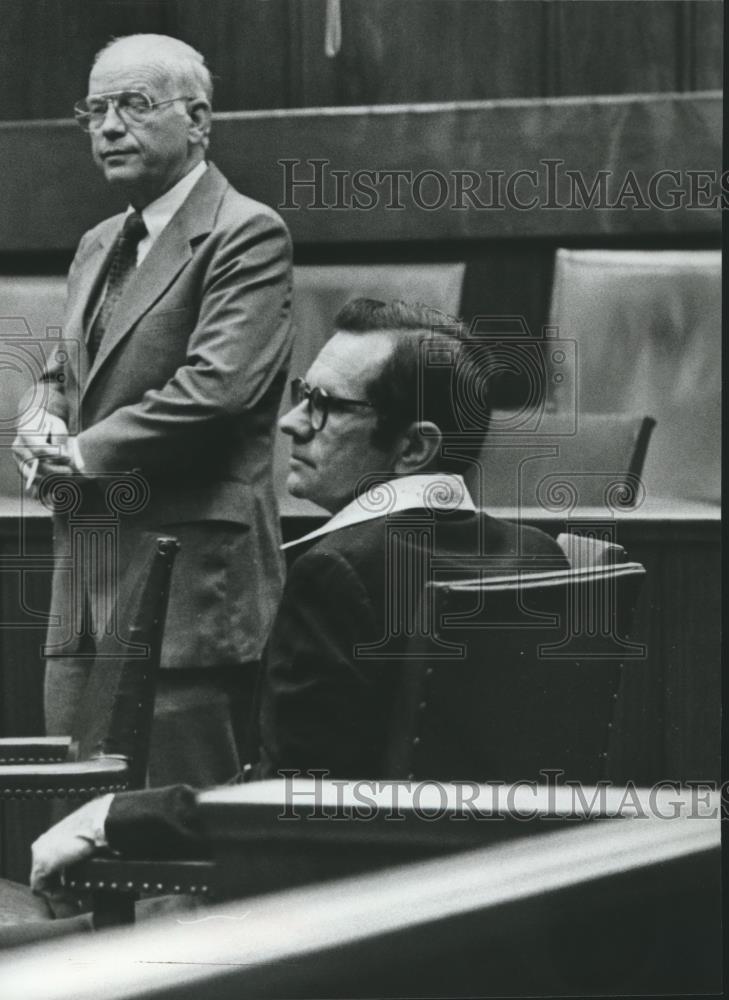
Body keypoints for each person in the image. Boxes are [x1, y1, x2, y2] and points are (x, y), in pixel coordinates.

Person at [24, 298, 569, 897]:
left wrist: (112, 819)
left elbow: (290, 800)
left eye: (326, 406)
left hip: (334, 932)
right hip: (490, 912)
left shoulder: (337, 571)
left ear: (414, 448)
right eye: (301, 393)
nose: (291, 422)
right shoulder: (540, 555)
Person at [12, 34, 293, 787]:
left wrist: (82, 451)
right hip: (86, 574)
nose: (107, 127)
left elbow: (218, 387)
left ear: (198, 119)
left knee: (180, 836)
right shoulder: (100, 240)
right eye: (94, 110)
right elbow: (68, 366)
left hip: (186, 579)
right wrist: (40, 414)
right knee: (72, 820)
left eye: (133, 105)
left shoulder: (246, 233)